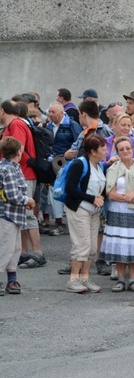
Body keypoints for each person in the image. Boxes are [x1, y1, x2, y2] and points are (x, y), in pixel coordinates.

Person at [100, 137, 134, 292]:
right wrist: (129, 198)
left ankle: (133, 279)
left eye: (127, 148)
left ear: (132, 149)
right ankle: (121, 279)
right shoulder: (113, 169)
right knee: (120, 246)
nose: (125, 151)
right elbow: (110, 193)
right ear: (117, 152)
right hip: (118, 210)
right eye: (121, 149)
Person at [0, 99, 45, 269]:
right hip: (18, 173)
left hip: (22, 173)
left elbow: (17, 150)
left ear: (2, 111)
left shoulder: (16, 125)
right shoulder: (12, 125)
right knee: (20, 213)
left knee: (27, 213)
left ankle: (37, 252)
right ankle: (24, 252)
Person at [63, 134, 108, 293]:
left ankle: (85, 278)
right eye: (103, 148)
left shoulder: (100, 166)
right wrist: (92, 198)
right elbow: (70, 189)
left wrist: (100, 198)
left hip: (94, 211)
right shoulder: (79, 164)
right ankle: (73, 279)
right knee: (81, 244)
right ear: (93, 151)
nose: (106, 151)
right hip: (79, 209)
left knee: (92, 247)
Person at [0, 137, 35, 296]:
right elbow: (13, 195)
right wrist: (28, 200)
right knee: (5, 249)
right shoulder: (7, 169)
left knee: (15, 249)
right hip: (6, 215)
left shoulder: (13, 167)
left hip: (14, 215)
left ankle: (11, 279)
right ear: (18, 152)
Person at [44, 102, 82, 235]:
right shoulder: (48, 126)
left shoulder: (72, 125)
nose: (50, 114)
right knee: (54, 191)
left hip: (69, 164)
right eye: (49, 112)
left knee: (68, 190)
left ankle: (72, 223)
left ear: (62, 113)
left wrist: (67, 154)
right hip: (53, 164)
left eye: (53, 112)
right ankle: (59, 223)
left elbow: (79, 142)